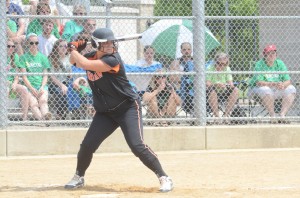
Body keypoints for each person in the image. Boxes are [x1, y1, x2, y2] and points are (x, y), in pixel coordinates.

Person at [64, 28, 173, 192]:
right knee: (87, 145)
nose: (109, 45)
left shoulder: (113, 60)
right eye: (105, 43)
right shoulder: (90, 56)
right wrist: (74, 49)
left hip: (127, 107)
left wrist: (73, 48)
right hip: (105, 113)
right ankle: (79, 176)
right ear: (95, 44)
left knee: (137, 146)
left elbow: (84, 64)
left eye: (111, 42)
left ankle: (164, 176)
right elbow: (74, 61)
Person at [247, 44, 296, 123]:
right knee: (266, 90)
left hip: (275, 89)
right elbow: (259, 82)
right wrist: (273, 84)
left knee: (291, 88)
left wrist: (283, 85)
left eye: (273, 53)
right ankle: (272, 116)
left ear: (276, 54)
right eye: (269, 53)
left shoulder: (279, 63)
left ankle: (282, 116)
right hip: (257, 89)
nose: (271, 55)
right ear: (265, 55)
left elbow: (288, 80)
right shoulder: (260, 64)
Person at [19, 33, 52, 121]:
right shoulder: (23, 58)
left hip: (41, 86)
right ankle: (43, 120)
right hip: (29, 87)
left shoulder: (43, 57)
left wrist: (42, 87)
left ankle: (46, 116)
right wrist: (31, 88)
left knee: (43, 101)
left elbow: (45, 75)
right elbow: (24, 77)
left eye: (36, 43)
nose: (34, 45)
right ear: (27, 44)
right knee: (33, 103)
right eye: (31, 43)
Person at [206, 52, 239, 123]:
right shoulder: (210, 68)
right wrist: (215, 84)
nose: (222, 66)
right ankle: (217, 117)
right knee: (212, 90)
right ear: (215, 62)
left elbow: (231, 83)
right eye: (219, 63)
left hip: (223, 91)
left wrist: (228, 85)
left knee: (235, 90)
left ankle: (226, 115)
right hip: (211, 91)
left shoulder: (227, 69)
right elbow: (207, 83)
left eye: (224, 64)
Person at [7, 39, 29, 121]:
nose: (11, 48)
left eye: (13, 46)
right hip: (3, 83)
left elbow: (16, 75)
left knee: (24, 89)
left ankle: (24, 118)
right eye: (8, 46)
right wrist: (7, 83)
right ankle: (3, 117)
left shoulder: (15, 56)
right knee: (5, 90)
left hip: (12, 83)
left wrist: (15, 83)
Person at [48, 39, 71, 120]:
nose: (64, 48)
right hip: (53, 83)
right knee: (59, 91)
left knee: (70, 90)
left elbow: (70, 75)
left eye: (65, 46)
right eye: (61, 46)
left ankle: (68, 112)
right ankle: (60, 113)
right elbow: (52, 77)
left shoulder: (69, 58)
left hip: (66, 82)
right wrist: (61, 85)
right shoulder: (51, 58)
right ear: (56, 48)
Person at [169, 42, 194, 113]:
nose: (187, 51)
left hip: (193, 87)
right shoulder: (176, 62)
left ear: (191, 50)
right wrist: (183, 79)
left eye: (189, 49)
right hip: (180, 88)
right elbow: (172, 78)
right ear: (181, 51)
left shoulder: (195, 61)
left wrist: (180, 74)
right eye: (184, 49)